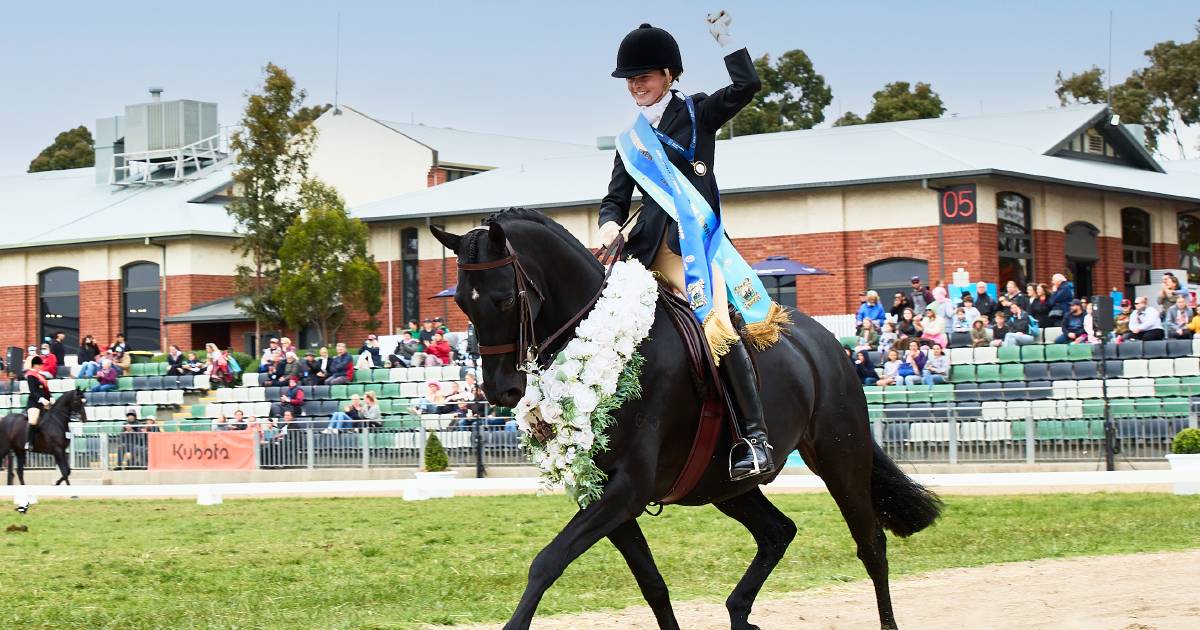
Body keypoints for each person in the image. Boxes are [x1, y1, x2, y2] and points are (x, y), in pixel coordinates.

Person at [598, 15, 780, 480]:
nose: (636, 85)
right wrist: (608, 225)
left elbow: (747, 85)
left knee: (717, 326)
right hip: (642, 254)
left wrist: (727, 39)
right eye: (630, 79)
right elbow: (615, 199)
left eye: (643, 76)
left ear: (669, 76)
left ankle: (754, 440)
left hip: (690, 251)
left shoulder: (699, 112)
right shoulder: (629, 142)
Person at [22, 356, 52, 450]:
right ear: (35, 365)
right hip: (34, 403)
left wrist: (50, 397)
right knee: (33, 420)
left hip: (44, 403)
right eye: (39, 365)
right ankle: (29, 442)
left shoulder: (41, 376)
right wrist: (41, 399)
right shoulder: (31, 376)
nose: (40, 366)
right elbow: (33, 392)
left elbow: (46, 390)